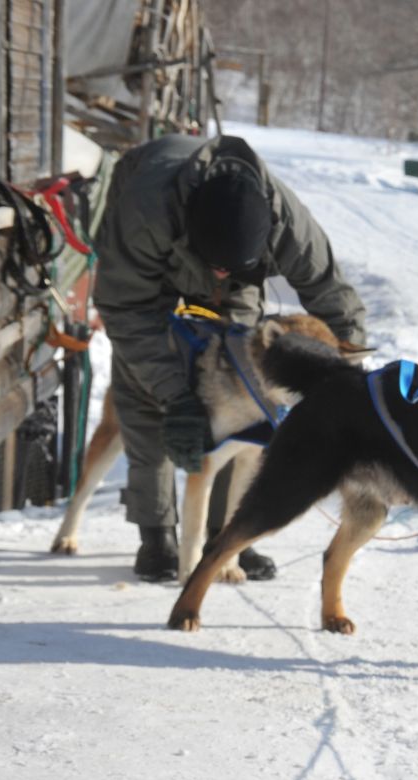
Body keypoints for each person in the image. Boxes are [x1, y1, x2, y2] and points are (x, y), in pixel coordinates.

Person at [93, 134, 366, 583]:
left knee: (245, 383)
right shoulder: (147, 211)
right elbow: (126, 309)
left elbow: (333, 296)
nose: (217, 278)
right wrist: (176, 397)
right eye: (215, 267)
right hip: (148, 271)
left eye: (228, 268)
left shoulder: (287, 224)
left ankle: (229, 534)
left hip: (242, 267)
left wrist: (347, 384)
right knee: (143, 387)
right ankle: (156, 530)